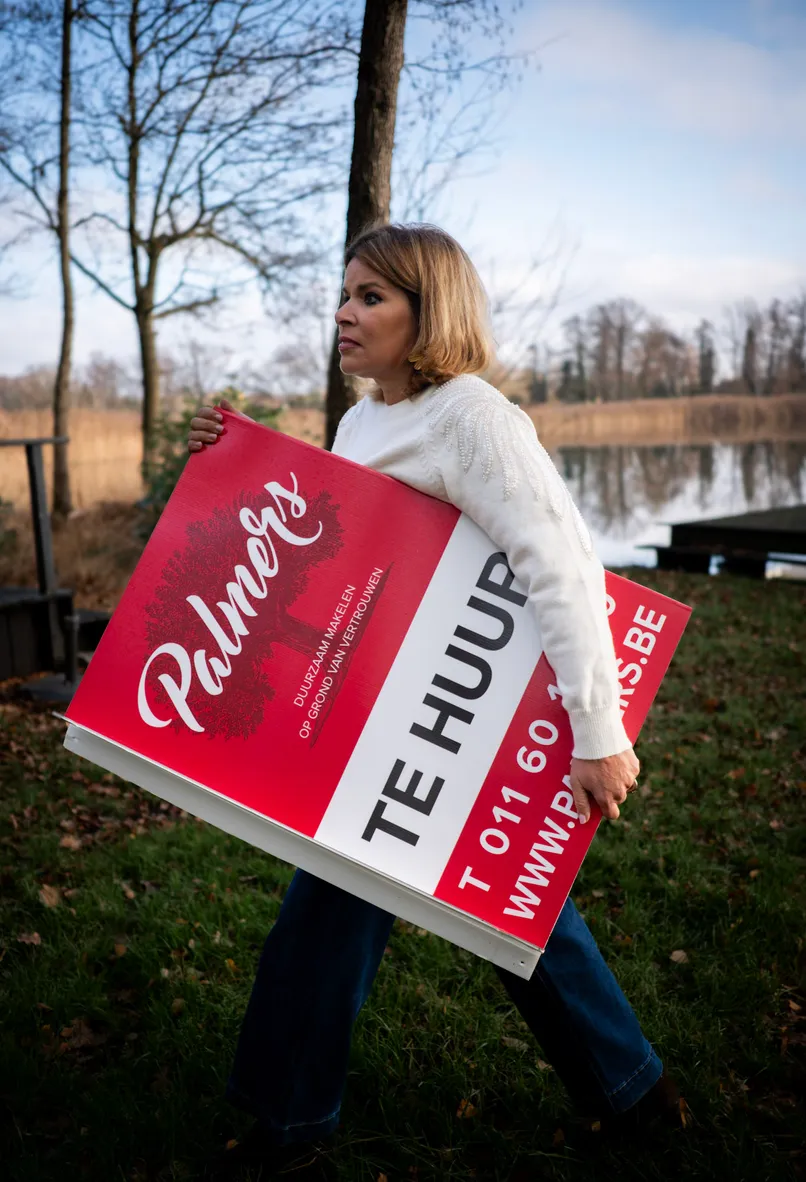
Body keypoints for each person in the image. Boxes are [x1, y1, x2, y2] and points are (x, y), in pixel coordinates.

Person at [188, 224, 680, 1180]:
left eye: (371, 296)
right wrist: (230, 458)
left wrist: (598, 731)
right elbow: (336, 540)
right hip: (387, 717)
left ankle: (289, 1126)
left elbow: (561, 565)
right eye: (345, 293)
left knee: (397, 907)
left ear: (429, 312)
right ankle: (635, 1093)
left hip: (471, 704)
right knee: (493, 908)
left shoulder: (473, 418)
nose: (344, 313)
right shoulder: (363, 420)